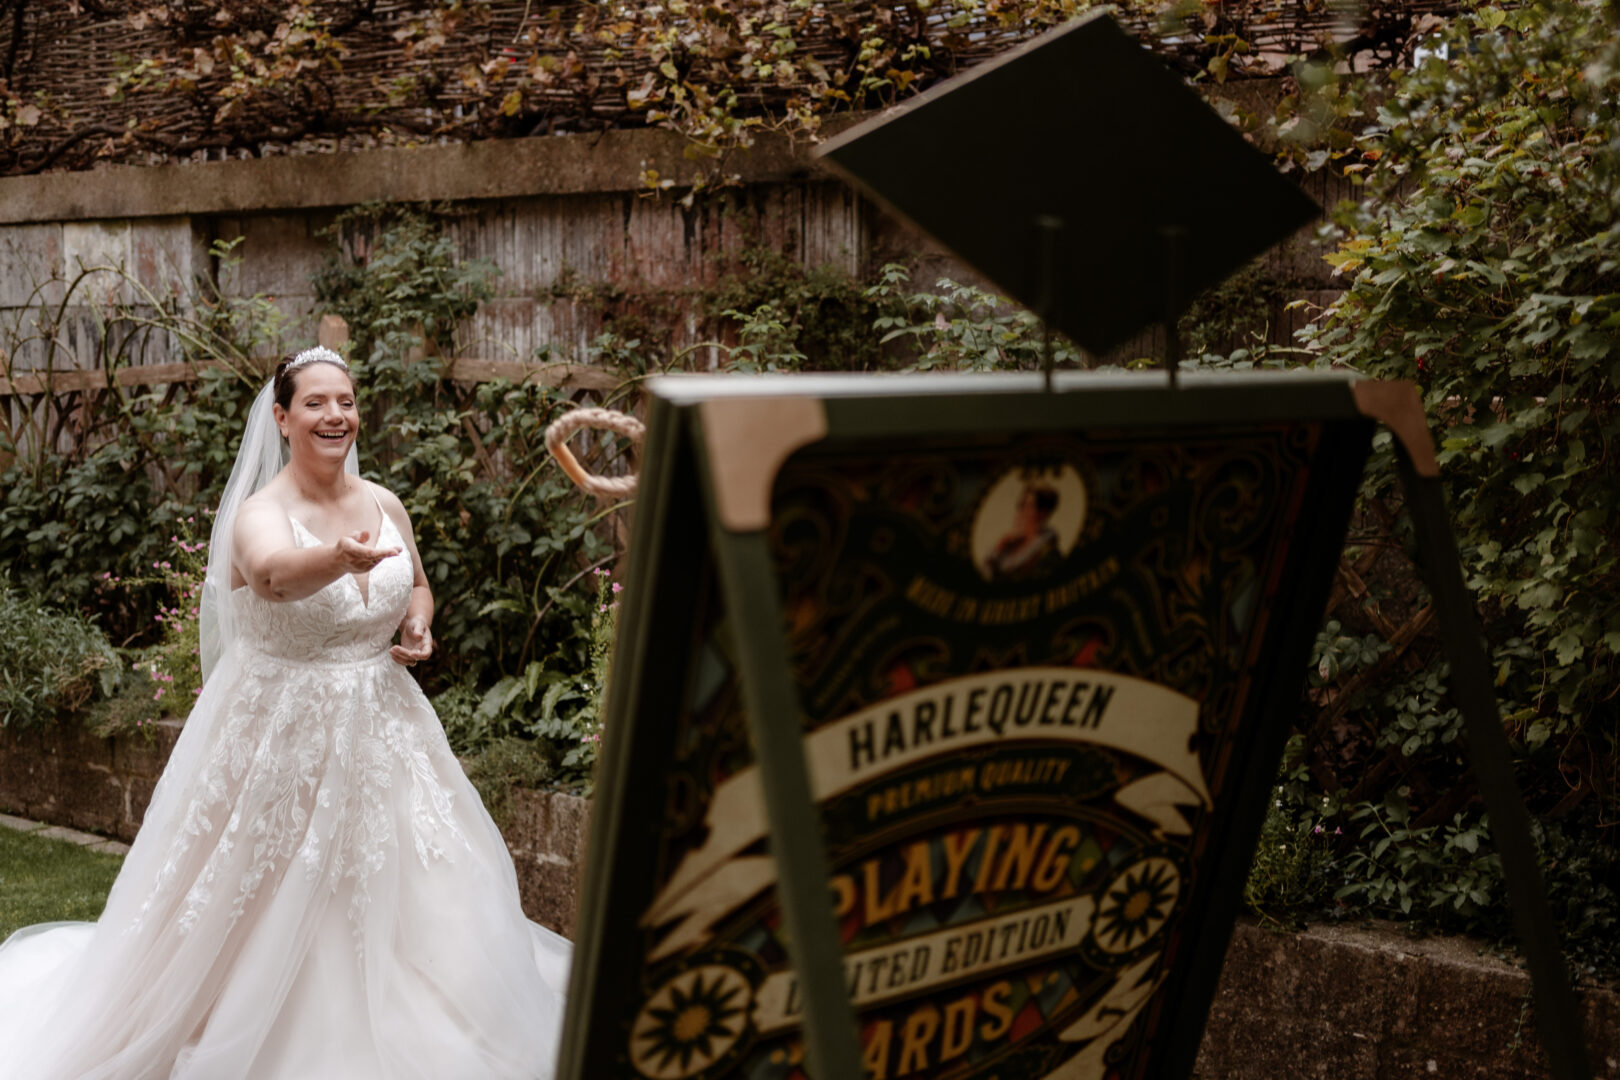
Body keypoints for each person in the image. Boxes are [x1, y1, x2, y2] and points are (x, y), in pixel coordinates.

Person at [0, 347, 571, 1079]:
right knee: (270, 884)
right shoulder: (257, 513)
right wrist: (337, 558)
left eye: (347, 401)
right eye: (316, 403)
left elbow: (418, 582)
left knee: (418, 877)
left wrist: (417, 623)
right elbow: (270, 577)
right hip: (281, 733)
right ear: (282, 416)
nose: (336, 415)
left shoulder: (384, 502)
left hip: (385, 726)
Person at [983, 482, 1063, 580]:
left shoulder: (1049, 553)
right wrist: (1000, 545)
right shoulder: (1010, 545)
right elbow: (985, 575)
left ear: (1043, 513)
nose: (1020, 512)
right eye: (1021, 505)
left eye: (1028, 506)